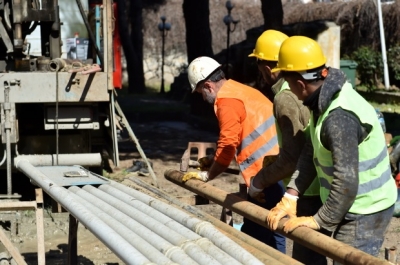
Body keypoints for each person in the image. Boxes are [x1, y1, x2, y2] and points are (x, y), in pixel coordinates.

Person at [266, 36, 397, 263]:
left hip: (366, 208)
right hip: (348, 201)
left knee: (345, 260)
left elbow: (346, 182)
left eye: (288, 83)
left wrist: (318, 220)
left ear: (300, 84)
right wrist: (291, 195)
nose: (290, 93)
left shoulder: (338, 118)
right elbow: (311, 150)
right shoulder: (323, 99)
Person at [183, 56, 286, 253]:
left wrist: (207, 175)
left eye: (200, 93)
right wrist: (214, 160)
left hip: (269, 174)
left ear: (208, 87)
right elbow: (237, 137)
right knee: (255, 231)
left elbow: (228, 145)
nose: (203, 99)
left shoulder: (227, 102)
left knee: (271, 232)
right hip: (271, 170)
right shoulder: (238, 90)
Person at [248, 30, 325, 264]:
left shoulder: (284, 97)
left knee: (306, 257)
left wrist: (258, 181)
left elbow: (293, 157)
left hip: (307, 191)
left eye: (260, 63)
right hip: (314, 186)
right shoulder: (297, 91)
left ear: (267, 67)